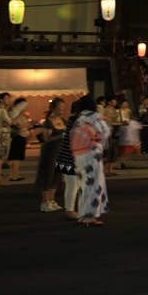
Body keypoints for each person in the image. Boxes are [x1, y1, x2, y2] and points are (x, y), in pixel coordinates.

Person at [71, 95, 112, 226]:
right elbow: (105, 132)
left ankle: (82, 214)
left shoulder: (78, 118)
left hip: (79, 154)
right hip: (92, 153)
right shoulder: (95, 117)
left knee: (84, 185)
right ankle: (89, 216)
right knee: (94, 185)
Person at [35, 98, 66, 212]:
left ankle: (52, 200)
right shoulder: (48, 122)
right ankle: (45, 201)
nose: (62, 110)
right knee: (48, 175)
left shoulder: (63, 120)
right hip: (50, 152)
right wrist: (62, 136)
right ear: (53, 108)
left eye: (63, 107)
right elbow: (46, 138)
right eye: (59, 108)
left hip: (61, 151)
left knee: (57, 176)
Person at [55, 100, 82, 219]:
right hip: (71, 157)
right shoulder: (76, 121)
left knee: (74, 184)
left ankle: (71, 208)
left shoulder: (72, 119)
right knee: (73, 184)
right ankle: (70, 209)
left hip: (67, 156)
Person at [7, 97, 30, 182]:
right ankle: (14, 175)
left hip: (21, 136)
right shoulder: (15, 113)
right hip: (18, 137)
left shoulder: (20, 114)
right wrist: (28, 124)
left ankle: (15, 174)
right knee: (15, 157)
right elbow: (16, 125)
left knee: (16, 157)